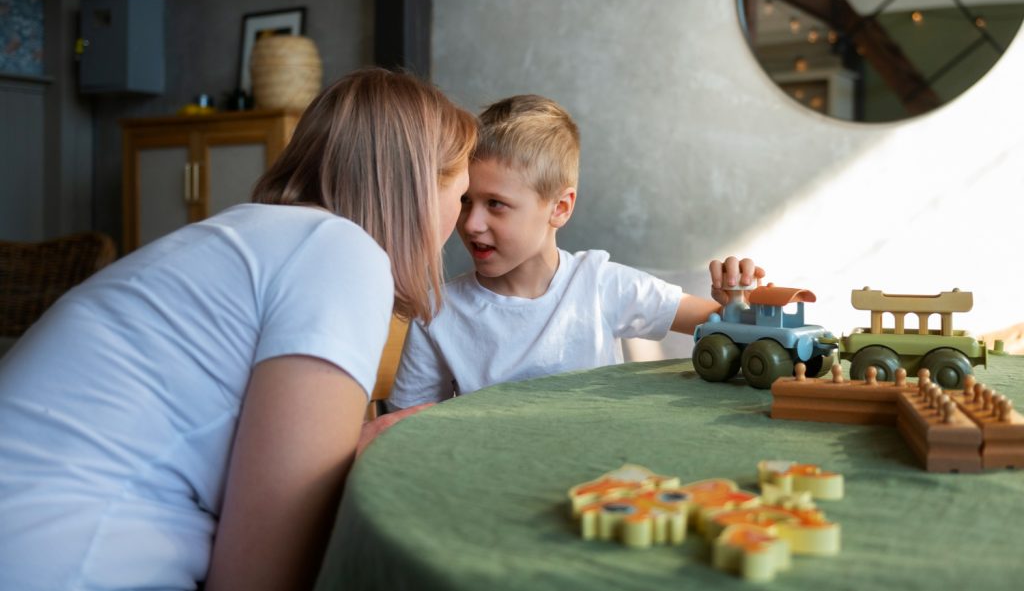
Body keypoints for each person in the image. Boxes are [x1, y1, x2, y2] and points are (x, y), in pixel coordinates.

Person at [0, 68, 477, 591]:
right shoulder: (341, 252)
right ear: (415, 190)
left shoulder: (241, 235)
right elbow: (260, 575)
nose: (466, 222)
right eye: (462, 197)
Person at [388, 94, 761, 409]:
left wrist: (733, 302)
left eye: (496, 204)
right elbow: (407, 429)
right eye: (465, 201)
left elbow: (726, 325)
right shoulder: (435, 312)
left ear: (560, 208)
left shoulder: (598, 283)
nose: (471, 224)